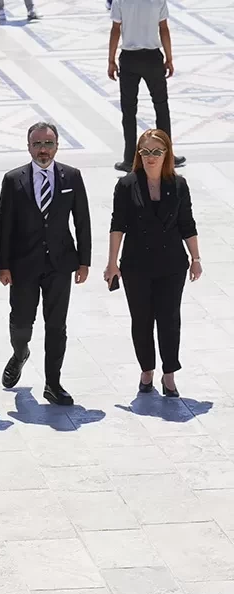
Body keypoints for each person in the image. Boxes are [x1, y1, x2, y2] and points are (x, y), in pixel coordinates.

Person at [0, 122, 91, 406]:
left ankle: (52, 383)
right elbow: (4, 227)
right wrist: (2, 265)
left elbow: (82, 220)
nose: (43, 150)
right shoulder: (14, 180)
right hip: (23, 264)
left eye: (48, 144)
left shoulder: (71, 177)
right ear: (28, 147)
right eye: (37, 144)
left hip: (60, 264)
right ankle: (19, 352)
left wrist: (84, 261)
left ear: (57, 146)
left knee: (56, 325)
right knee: (22, 322)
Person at [104, 129, 201, 398]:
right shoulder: (126, 185)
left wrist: (196, 258)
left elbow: (187, 224)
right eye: (145, 152)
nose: (150, 157)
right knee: (142, 319)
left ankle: (169, 374)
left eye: (156, 152)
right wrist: (112, 263)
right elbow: (117, 225)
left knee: (169, 318)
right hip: (136, 264)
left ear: (166, 154)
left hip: (171, 264)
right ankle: (146, 370)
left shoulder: (179, 185)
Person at [109, 0, 184, 172]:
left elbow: (115, 30)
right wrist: (169, 58)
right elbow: (163, 28)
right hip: (152, 59)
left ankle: (129, 159)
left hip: (129, 59)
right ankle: (167, 155)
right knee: (161, 106)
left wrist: (111, 60)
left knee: (129, 110)